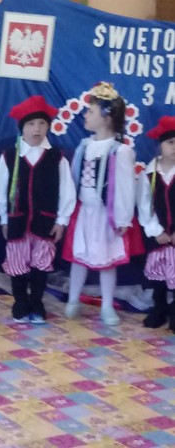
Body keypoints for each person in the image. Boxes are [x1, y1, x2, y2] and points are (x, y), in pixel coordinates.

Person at [0, 95, 76, 324]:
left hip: (45, 221)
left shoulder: (57, 158)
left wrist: (62, 220)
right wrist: (4, 219)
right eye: (31, 124)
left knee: (41, 263)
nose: (37, 129)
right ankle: (20, 302)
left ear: (48, 126)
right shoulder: (9, 157)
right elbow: (0, 191)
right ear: (22, 127)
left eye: (41, 123)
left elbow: (67, 191)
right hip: (17, 220)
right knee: (18, 262)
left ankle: (37, 302)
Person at [63, 82, 136, 326]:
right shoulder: (84, 146)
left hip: (106, 214)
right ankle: (73, 300)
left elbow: (125, 186)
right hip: (84, 211)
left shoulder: (120, 151)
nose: (85, 115)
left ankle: (106, 305)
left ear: (106, 118)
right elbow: (73, 178)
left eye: (91, 111)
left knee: (107, 260)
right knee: (79, 256)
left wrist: (123, 218)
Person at [137, 116, 175, 333]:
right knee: (158, 276)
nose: (174, 147)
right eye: (170, 142)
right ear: (161, 145)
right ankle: (159, 308)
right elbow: (144, 205)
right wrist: (155, 230)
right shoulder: (150, 173)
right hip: (159, 237)